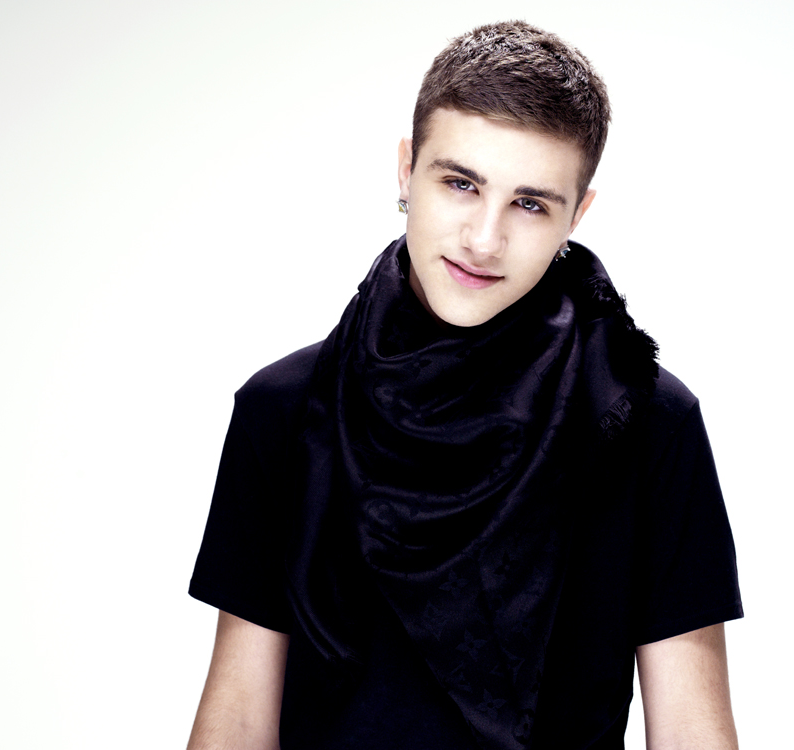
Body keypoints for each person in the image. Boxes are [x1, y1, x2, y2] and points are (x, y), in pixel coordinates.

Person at [187, 20, 742, 750]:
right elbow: (237, 719)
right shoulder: (283, 410)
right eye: (460, 184)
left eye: (530, 203)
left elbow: (693, 731)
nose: (484, 239)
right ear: (405, 170)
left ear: (578, 215)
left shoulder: (646, 421)